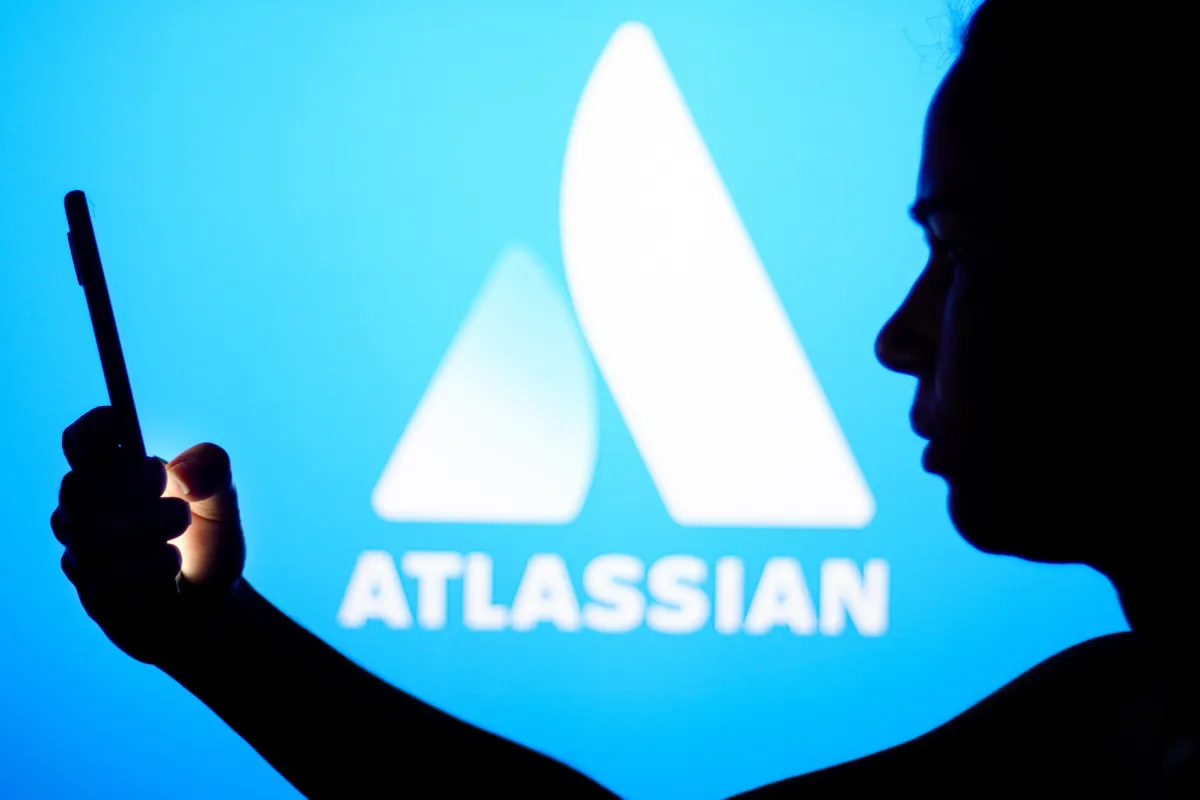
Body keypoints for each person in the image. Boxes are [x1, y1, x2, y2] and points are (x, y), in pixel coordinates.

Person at [50, 0, 1196, 796]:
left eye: (956, 248)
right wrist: (214, 632)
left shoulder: (1123, 735)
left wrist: (220, 639)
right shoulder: (1117, 718)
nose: (898, 337)